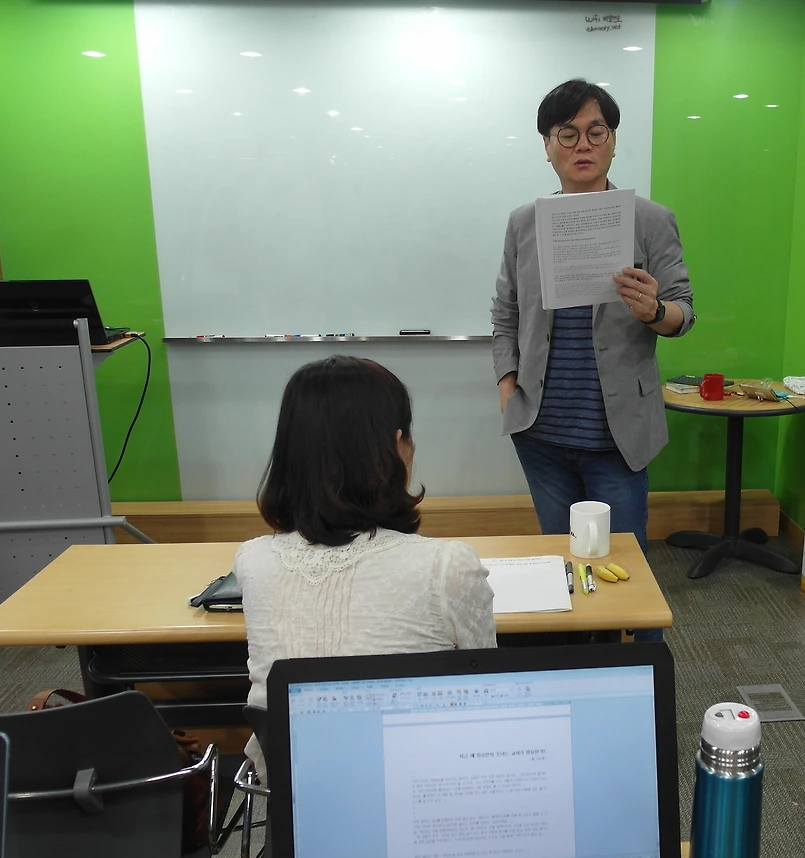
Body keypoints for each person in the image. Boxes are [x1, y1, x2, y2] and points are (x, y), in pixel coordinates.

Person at [490, 79, 694, 641]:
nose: (583, 144)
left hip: (617, 437)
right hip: (541, 432)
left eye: (596, 132)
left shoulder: (650, 220)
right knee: (564, 572)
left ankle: (641, 676)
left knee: (627, 579)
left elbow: (683, 312)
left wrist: (655, 310)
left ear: (613, 142)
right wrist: (508, 389)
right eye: (567, 133)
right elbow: (505, 312)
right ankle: (574, 672)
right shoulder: (523, 222)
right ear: (547, 146)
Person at [235, 356, 496, 777]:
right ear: (396, 444)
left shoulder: (252, 561)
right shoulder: (448, 566)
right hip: (421, 789)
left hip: (292, 797)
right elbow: (487, 698)